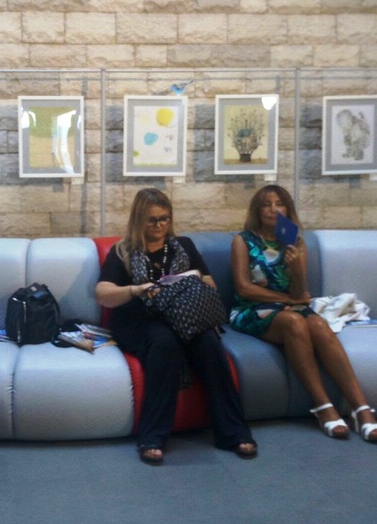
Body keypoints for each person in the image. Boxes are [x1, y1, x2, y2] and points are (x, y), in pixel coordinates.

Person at [95, 188, 257, 465]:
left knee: (209, 343)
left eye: (164, 218)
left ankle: (233, 431)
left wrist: (189, 281)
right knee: (164, 343)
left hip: (185, 316)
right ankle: (153, 435)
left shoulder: (184, 246)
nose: (159, 225)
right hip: (140, 320)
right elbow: (103, 293)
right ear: (138, 220)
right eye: (152, 220)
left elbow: (210, 284)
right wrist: (136, 290)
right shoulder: (123, 252)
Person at [230, 185, 377, 443]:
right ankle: (323, 406)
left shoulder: (295, 242)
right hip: (250, 309)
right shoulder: (243, 240)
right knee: (294, 322)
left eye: (279, 204)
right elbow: (244, 288)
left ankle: (361, 409)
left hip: (290, 305)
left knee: (319, 325)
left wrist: (297, 269)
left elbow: (300, 293)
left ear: (287, 209)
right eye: (266, 204)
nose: (272, 209)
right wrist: (288, 300)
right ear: (257, 210)